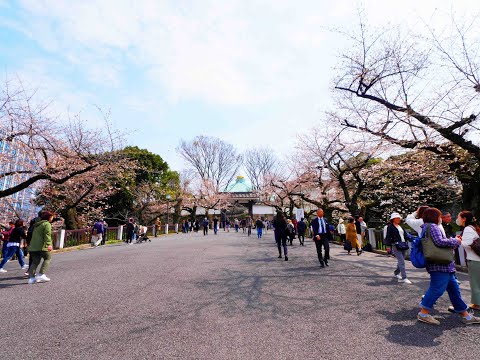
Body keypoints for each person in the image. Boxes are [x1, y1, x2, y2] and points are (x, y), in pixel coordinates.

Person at [417, 207, 480, 325]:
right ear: (434, 216)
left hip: (443, 265)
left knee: (454, 289)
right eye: (439, 216)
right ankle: (423, 314)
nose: (441, 218)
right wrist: (456, 241)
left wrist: (453, 240)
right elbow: (440, 242)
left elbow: (439, 241)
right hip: (440, 264)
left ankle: (466, 317)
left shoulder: (427, 227)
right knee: (436, 289)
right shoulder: (433, 227)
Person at [457, 211, 480, 311]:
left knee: (475, 283)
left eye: (459, 217)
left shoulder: (468, 228)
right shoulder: (474, 228)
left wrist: (457, 240)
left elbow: (467, 243)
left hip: (474, 259)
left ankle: (477, 304)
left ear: (464, 219)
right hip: (477, 259)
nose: (457, 219)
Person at [383, 213, 413, 284]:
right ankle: (404, 277)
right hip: (395, 245)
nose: (398, 219)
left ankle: (396, 273)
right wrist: (388, 247)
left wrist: (413, 239)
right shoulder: (390, 227)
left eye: (399, 218)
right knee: (401, 261)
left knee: (401, 260)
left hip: (403, 245)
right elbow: (388, 237)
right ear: (393, 219)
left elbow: (406, 235)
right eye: (397, 218)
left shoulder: (400, 227)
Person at [27, 211, 55, 284]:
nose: (52, 218)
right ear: (48, 217)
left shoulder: (36, 225)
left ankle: (31, 278)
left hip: (33, 247)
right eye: (51, 216)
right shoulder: (47, 224)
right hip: (42, 246)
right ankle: (41, 274)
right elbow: (47, 235)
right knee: (47, 258)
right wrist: (49, 244)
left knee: (35, 261)